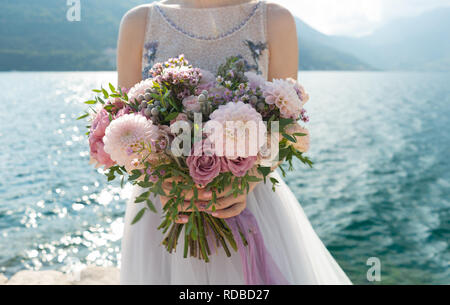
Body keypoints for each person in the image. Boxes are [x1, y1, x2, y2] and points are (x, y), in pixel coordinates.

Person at [117, 0, 351, 284]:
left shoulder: (274, 19)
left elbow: (285, 122)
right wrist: (156, 180)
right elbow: (124, 128)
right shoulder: (139, 21)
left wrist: (247, 179)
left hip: (249, 200)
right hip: (164, 205)